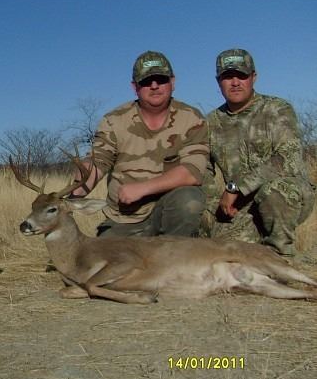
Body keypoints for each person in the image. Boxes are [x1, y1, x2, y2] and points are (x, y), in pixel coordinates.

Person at [72, 51, 209, 237]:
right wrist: (75, 191)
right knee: (104, 255)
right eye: (146, 81)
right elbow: (99, 161)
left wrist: (142, 189)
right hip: (125, 218)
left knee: (189, 200)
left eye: (161, 79)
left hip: (167, 213)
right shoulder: (114, 120)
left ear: (173, 82)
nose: (154, 86)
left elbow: (192, 172)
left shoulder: (191, 118)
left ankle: (174, 250)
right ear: (135, 87)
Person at [203, 48, 315, 257]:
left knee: (274, 191)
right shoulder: (210, 123)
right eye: (228, 76)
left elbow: (287, 158)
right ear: (218, 82)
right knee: (225, 255)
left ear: (253, 77)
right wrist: (215, 203)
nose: (235, 82)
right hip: (242, 206)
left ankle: (282, 256)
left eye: (241, 75)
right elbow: (203, 170)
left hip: (287, 194)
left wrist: (236, 187)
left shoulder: (277, 109)